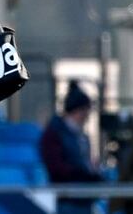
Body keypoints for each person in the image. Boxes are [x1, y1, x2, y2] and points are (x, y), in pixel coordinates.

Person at [40, 80, 104, 214]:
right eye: (85, 110)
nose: (87, 115)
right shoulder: (54, 134)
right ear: (77, 110)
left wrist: (91, 173)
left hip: (83, 198)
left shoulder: (82, 136)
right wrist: (83, 173)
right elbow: (56, 168)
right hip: (67, 199)